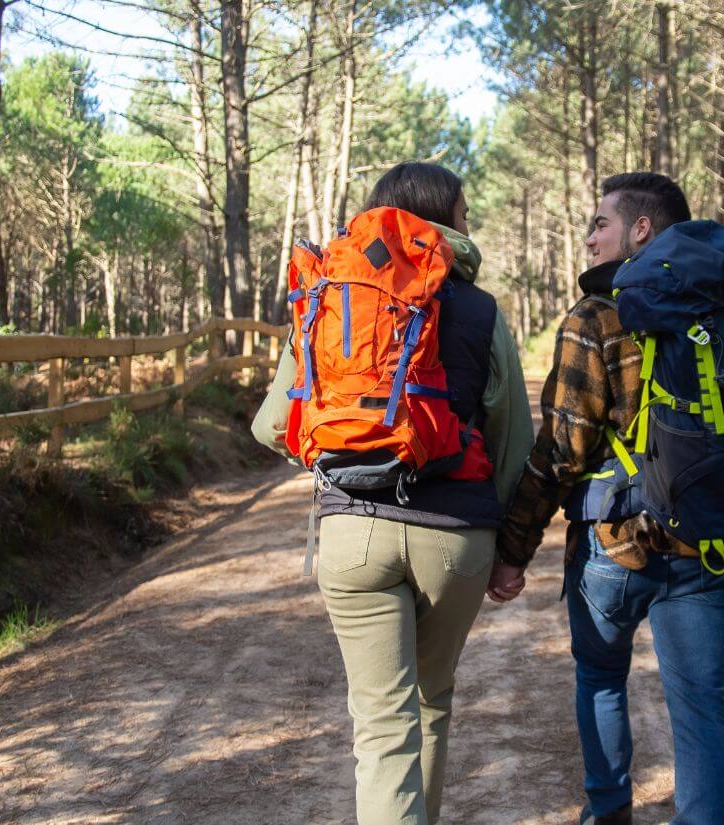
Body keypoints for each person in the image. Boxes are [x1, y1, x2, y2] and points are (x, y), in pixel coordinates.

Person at [251, 162, 532, 825]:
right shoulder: (482, 311)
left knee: (381, 723)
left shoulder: (334, 293)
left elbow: (272, 426)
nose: (470, 225)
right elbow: (514, 441)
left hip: (353, 532)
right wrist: (508, 544)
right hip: (456, 536)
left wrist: (343, 457)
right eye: (465, 213)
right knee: (431, 701)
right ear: (447, 218)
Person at [492, 172, 724, 825]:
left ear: (639, 230)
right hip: (708, 544)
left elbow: (561, 447)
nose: (589, 236)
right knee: (701, 703)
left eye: (600, 222)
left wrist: (513, 547)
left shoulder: (596, 315)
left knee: (600, 679)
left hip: (612, 545)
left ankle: (609, 810)